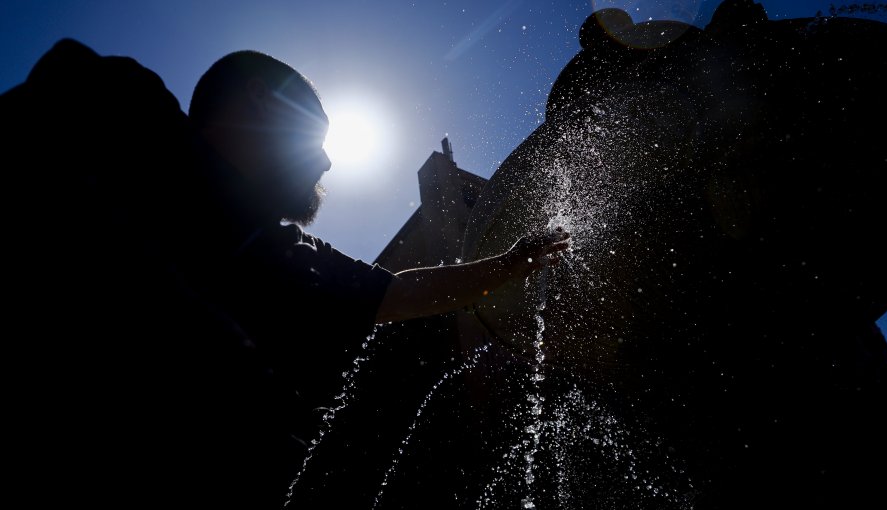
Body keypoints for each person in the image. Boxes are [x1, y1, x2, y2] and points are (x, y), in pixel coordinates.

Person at [1, 39, 569, 509]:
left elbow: (397, 293)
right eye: (317, 139)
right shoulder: (127, 114)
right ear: (261, 100)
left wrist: (510, 264)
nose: (325, 162)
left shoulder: (276, 254)